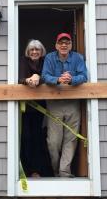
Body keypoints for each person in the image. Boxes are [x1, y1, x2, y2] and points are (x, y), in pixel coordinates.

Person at [42, 33, 88, 177]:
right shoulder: (50, 57)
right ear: (56, 45)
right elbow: (45, 76)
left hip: (73, 104)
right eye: (61, 43)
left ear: (70, 45)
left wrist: (72, 79)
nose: (64, 45)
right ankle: (55, 170)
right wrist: (58, 79)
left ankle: (64, 172)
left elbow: (84, 76)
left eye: (67, 43)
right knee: (53, 142)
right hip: (54, 104)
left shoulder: (78, 58)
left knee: (71, 139)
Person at [19, 39, 51, 177]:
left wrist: (38, 77)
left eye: (37, 49)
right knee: (26, 138)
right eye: (32, 49)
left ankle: (37, 170)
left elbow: (49, 76)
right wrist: (27, 80)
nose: (34, 52)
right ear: (28, 51)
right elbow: (20, 78)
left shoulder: (46, 62)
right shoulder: (23, 61)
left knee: (38, 138)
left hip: (40, 107)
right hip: (25, 107)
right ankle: (26, 170)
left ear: (41, 51)